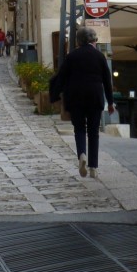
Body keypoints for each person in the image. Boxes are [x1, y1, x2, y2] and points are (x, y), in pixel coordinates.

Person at [50, 25, 114, 179]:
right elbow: (107, 80)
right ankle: (93, 167)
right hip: (95, 97)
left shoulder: (71, 56)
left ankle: (82, 155)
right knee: (93, 132)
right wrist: (110, 102)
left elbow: (61, 76)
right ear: (93, 40)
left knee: (79, 129)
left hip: (76, 97)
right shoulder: (99, 56)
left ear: (78, 41)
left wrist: (55, 97)